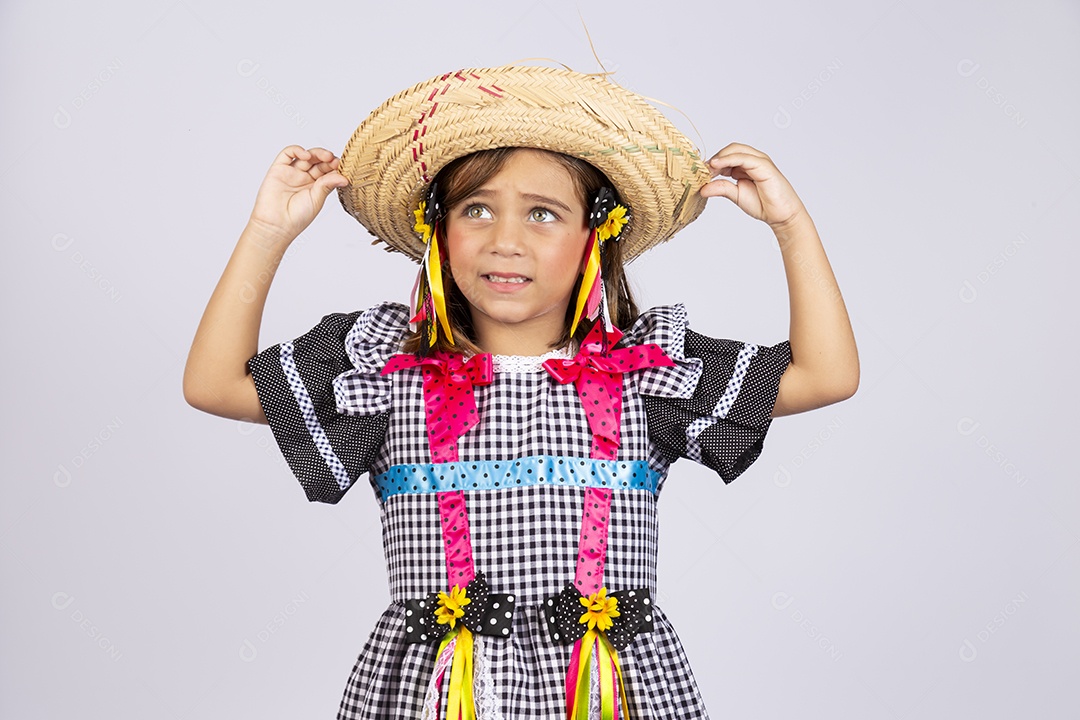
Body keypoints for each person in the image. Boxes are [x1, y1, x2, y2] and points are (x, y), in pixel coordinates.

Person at [184, 65, 858, 720]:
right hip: (435, 697)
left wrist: (790, 226)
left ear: (596, 235)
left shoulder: (644, 374)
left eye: (543, 213)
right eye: (476, 209)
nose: (505, 241)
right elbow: (213, 385)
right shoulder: (389, 372)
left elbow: (828, 376)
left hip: (605, 693)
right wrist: (268, 232)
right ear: (439, 232)